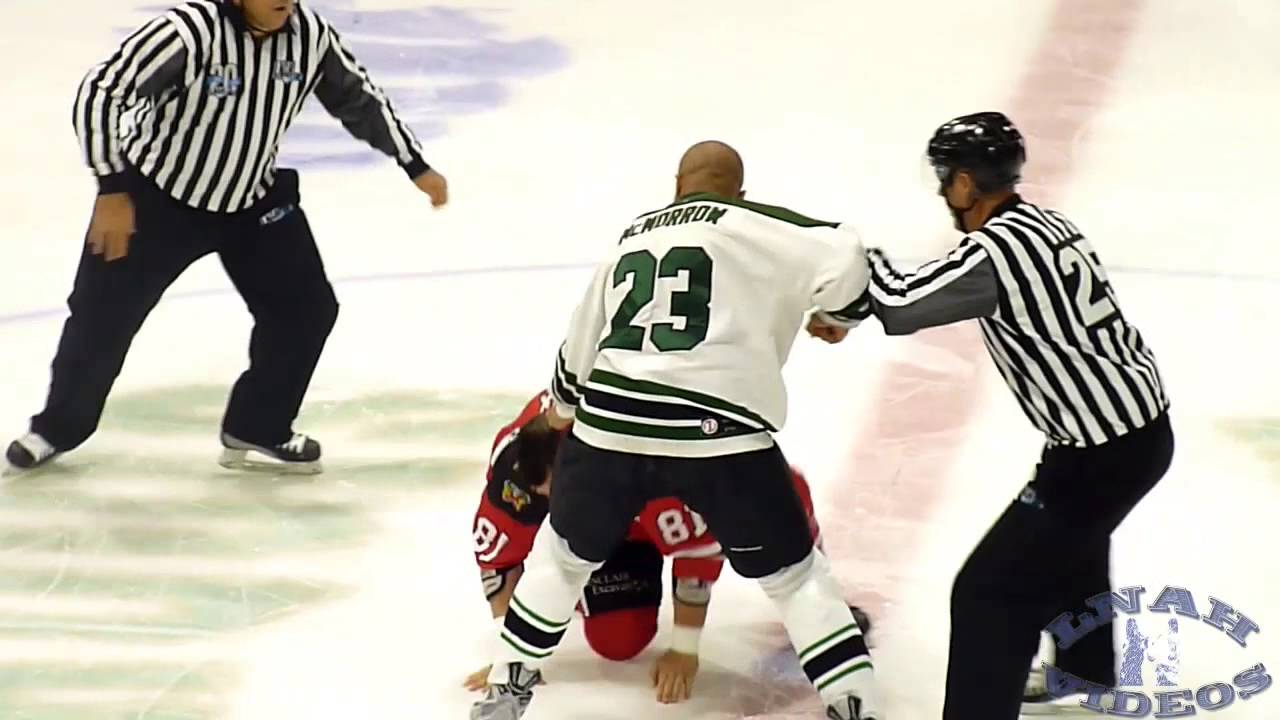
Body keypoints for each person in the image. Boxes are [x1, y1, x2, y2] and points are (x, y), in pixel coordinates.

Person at [470, 141, 881, 720]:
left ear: (675, 186)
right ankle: (854, 704)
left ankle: (506, 690)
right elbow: (847, 252)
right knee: (796, 577)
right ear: (740, 193)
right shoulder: (753, 222)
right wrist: (836, 316)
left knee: (561, 562)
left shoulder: (633, 236)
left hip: (611, 425)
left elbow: (577, 350)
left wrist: (560, 412)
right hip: (721, 430)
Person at [808, 111, 1174, 718]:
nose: (941, 187)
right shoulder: (1047, 224)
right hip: (1132, 429)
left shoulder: (995, 253)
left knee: (988, 591)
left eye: (946, 175)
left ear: (968, 183)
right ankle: (1088, 671)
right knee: (1072, 545)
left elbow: (901, 304)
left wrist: (851, 258)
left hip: (1100, 452)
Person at [5, 0, 448, 474]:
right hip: (155, 201)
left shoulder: (310, 37)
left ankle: (258, 424)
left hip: (251, 203)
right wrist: (112, 188)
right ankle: (58, 427)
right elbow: (102, 91)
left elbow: (360, 99)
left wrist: (414, 164)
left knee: (306, 310)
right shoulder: (188, 32)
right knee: (101, 318)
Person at [464, 391, 859, 705]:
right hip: (614, 508)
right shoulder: (520, 464)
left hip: (652, 474)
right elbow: (499, 554)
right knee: (618, 640)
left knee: (777, 501)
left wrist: (685, 648)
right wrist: (512, 652)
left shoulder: (659, 469)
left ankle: (816, 587)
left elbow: (698, 551)